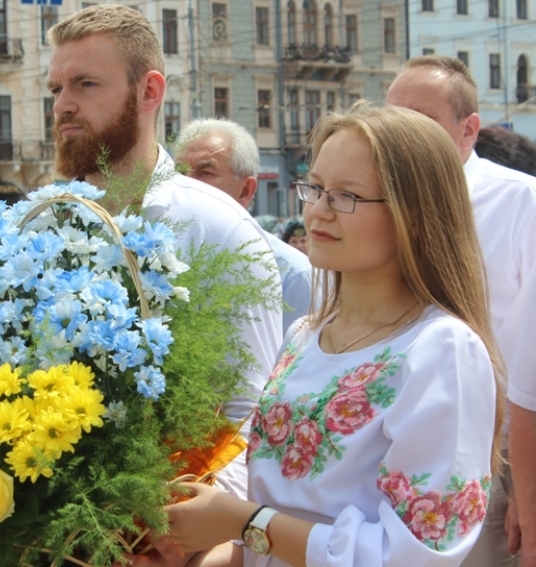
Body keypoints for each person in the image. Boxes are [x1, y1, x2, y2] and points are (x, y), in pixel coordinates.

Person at [130, 103, 503, 567]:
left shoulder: (441, 349)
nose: (319, 212)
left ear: (416, 214)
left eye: (346, 196)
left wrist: (243, 522)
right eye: (316, 188)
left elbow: (413, 555)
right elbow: (273, 522)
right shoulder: (306, 335)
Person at [47, 4, 283, 499]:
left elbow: (251, 412)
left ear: (149, 91)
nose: (63, 105)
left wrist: (185, 531)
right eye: (56, 89)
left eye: (85, 84)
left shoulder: (217, 226)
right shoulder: (41, 224)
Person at [386, 54, 536, 567]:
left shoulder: (522, 204)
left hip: (498, 459)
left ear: (468, 129)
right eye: (391, 119)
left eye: (420, 121)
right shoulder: (372, 203)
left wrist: (528, 489)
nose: (399, 136)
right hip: (390, 445)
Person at [173, 118, 314, 334]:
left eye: (206, 173)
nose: (186, 185)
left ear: (245, 190)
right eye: (180, 173)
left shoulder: (292, 275)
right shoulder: (157, 259)